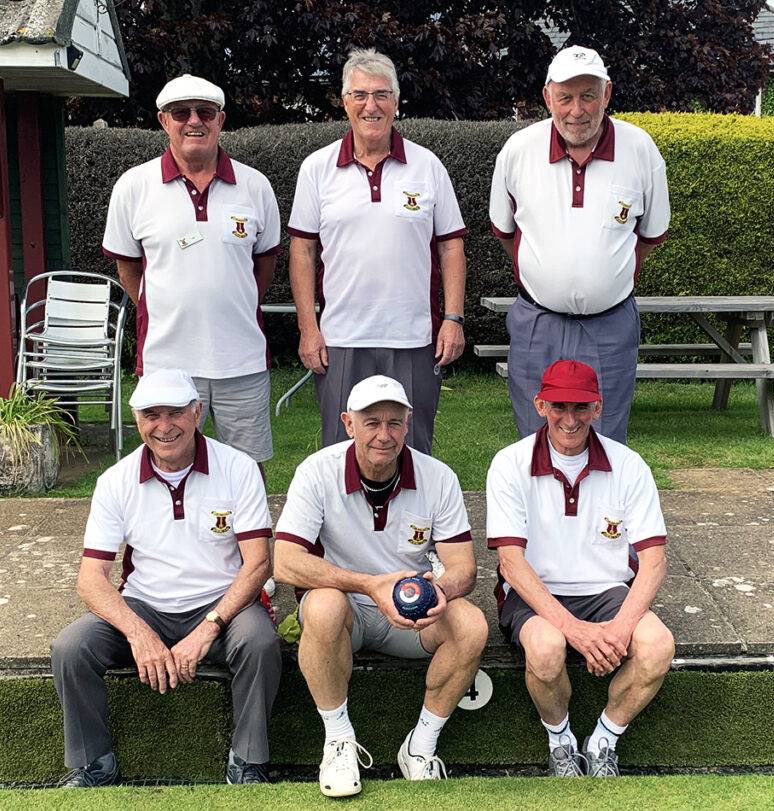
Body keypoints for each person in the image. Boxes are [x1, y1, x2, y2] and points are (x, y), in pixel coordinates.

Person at [50, 368, 281, 787]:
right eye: (151, 414)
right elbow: (90, 578)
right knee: (71, 647)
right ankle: (94, 764)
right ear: (136, 419)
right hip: (146, 605)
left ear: (198, 412)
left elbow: (258, 564)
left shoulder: (238, 468)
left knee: (261, 642)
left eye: (175, 412)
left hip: (222, 604)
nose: (164, 426)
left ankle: (247, 760)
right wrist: (139, 634)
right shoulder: (115, 481)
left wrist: (208, 628)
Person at [274, 375, 488, 797]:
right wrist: (370, 585)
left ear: (408, 424)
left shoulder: (438, 476)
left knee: (473, 625)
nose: (384, 435)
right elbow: (285, 563)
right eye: (371, 422)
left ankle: (421, 745)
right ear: (348, 423)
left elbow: (464, 567)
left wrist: (440, 591)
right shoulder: (316, 472)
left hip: (411, 616)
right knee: (321, 606)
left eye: (394, 422)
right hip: (347, 614)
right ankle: (338, 740)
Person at [485, 359, 675, 777]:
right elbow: (511, 565)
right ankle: (561, 741)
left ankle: (604, 738)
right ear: (539, 405)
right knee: (547, 648)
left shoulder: (629, 465)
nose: (569, 419)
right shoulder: (509, 463)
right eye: (558, 406)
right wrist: (576, 631)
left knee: (657, 647)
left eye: (580, 407)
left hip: (607, 591)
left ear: (598, 407)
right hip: (534, 591)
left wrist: (620, 629)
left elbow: (655, 561)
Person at [288, 48, 468, 454]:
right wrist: (308, 328)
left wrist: (453, 318)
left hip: (414, 337)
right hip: (341, 339)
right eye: (360, 95)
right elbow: (302, 252)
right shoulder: (317, 169)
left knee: (414, 449)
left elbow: (451, 247)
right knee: (340, 452)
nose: (372, 105)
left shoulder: (428, 166)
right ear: (345, 101)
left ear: (397, 103)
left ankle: (415, 521)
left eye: (382, 94)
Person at [489, 46, 671, 444]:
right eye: (566, 97)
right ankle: (540, 509)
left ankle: (601, 510)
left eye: (588, 95)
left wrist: (603, 278)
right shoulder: (518, 150)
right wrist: (547, 276)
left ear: (607, 94)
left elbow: (651, 235)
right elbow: (505, 233)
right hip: (537, 323)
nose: (576, 110)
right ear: (547, 97)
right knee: (533, 438)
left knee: (605, 440)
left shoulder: (640, 150)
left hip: (610, 325)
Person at [102, 74, 281, 465]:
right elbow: (128, 268)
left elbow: (263, 265)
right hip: (169, 362)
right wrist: (161, 304)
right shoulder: (134, 186)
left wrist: (232, 298)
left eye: (206, 112)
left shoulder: (256, 186)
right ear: (164, 121)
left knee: (249, 468)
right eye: (181, 112)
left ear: (221, 120)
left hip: (243, 360)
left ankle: (249, 530)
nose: (194, 121)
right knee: (172, 465)